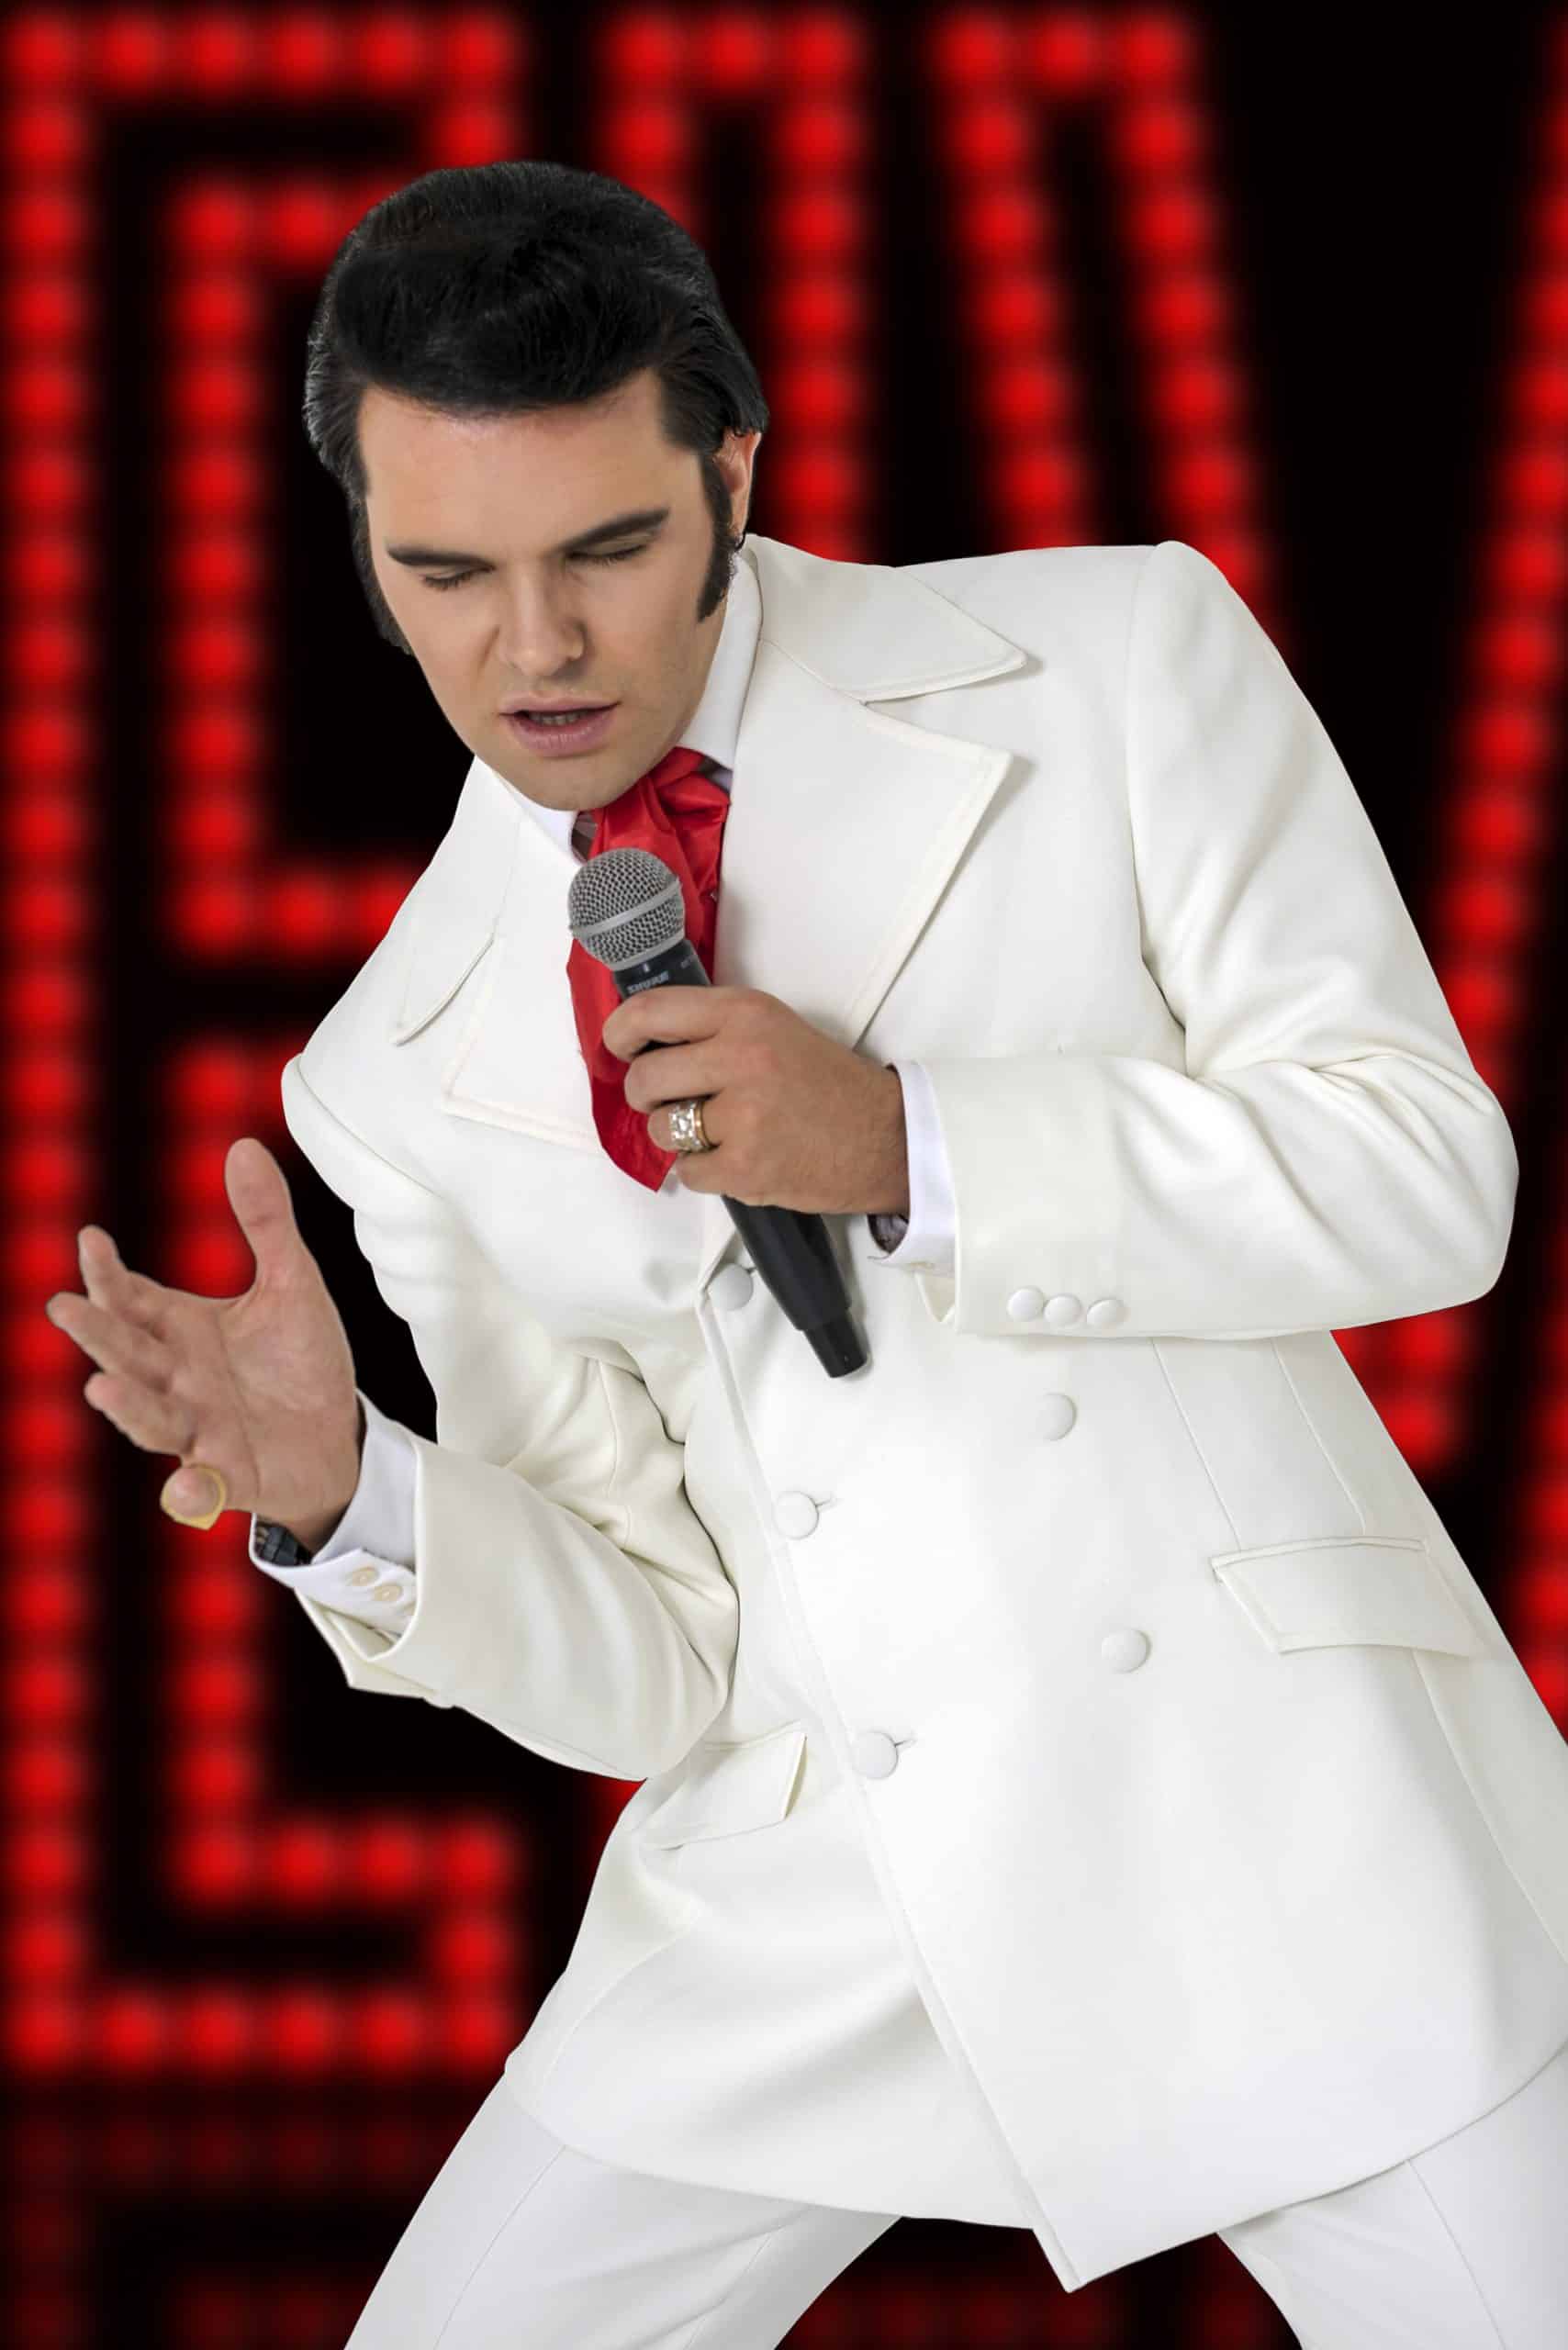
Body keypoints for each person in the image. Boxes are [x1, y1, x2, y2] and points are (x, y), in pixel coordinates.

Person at [45, 159, 1568, 2347]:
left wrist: (918, 1141)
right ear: (364, 549)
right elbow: (651, 1651)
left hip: (1269, 1799)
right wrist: (350, 1491)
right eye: (446, 572)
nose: (534, 647)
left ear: (730, 468)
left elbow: (1425, 1174)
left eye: (605, 547)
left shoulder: (1108, 651)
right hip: (813, 1865)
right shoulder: (390, 1056)